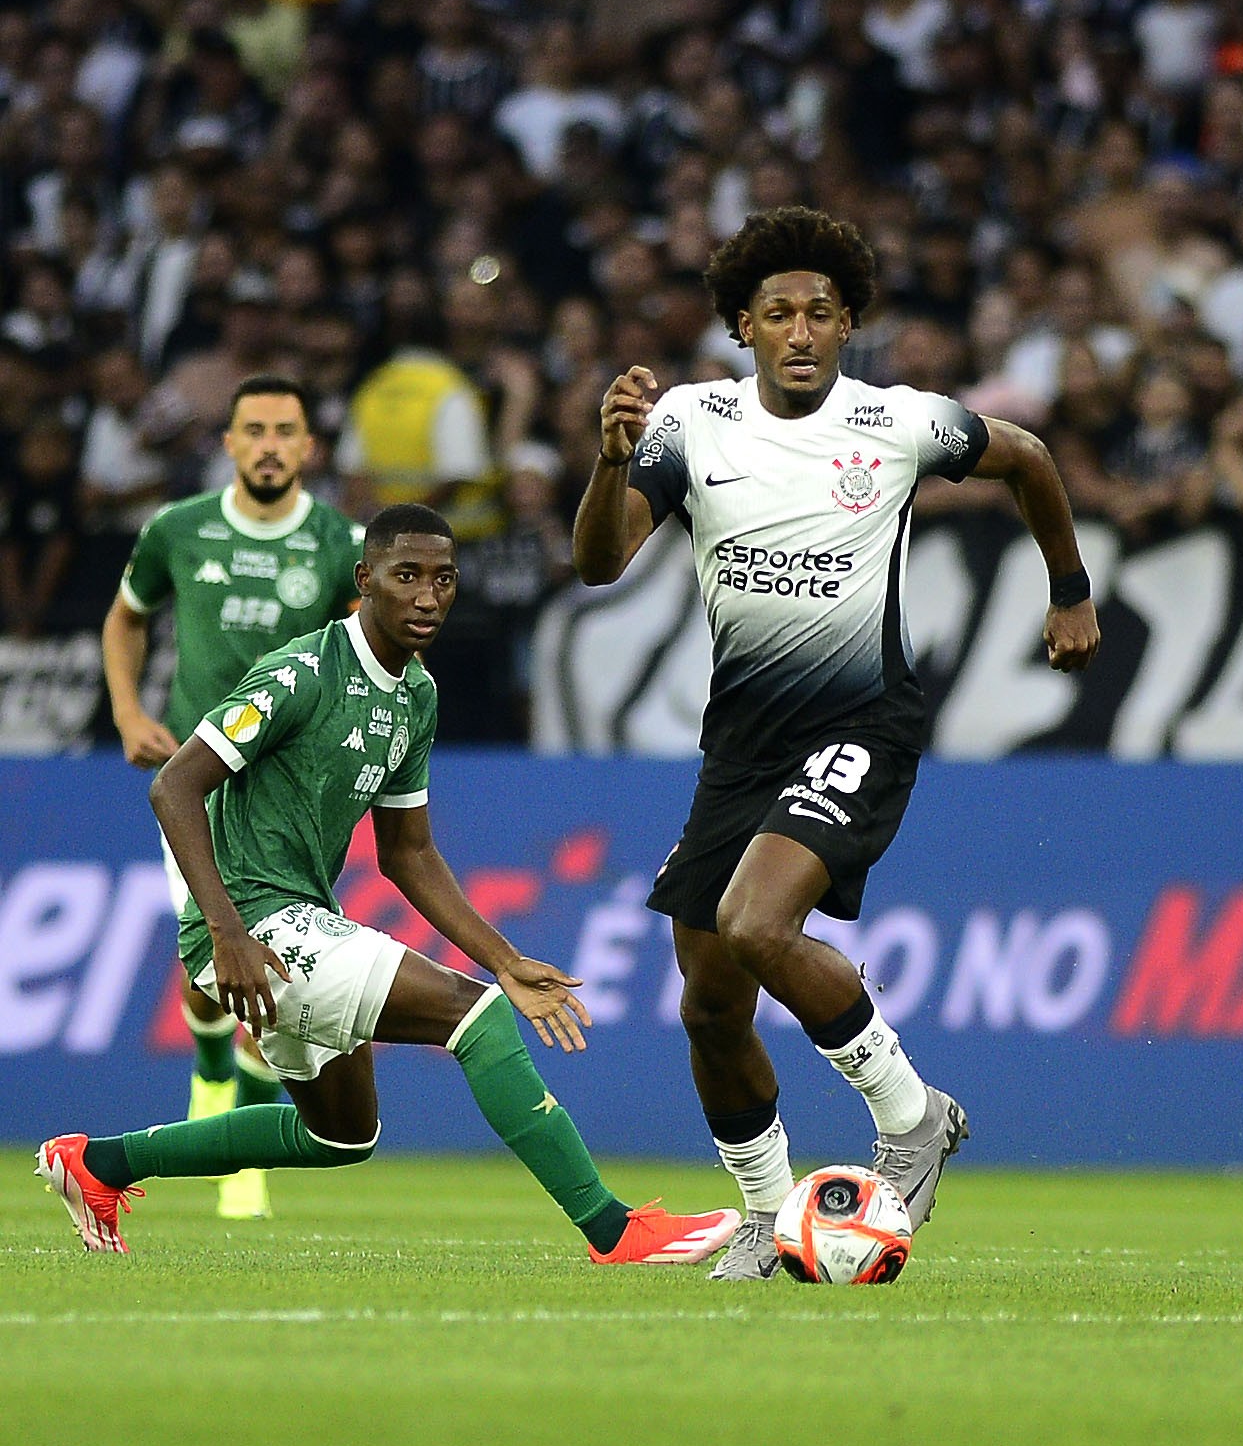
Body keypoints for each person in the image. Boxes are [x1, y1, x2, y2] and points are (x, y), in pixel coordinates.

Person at [574, 207, 1100, 1281]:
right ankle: (770, 1215)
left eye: (821, 311)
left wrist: (1070, 590)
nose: (801, 329)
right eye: (778, 313)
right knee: (709, 999)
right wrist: (605, 460)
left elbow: (1030, 457)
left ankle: (910, 1114)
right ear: (742, 326)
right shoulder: (685, 421)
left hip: (862, 722)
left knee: (757, 924)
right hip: (742, 743)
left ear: (848, 320)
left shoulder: (897, 420)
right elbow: (598, 562)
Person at [37, 505, 740, 1267]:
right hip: (254, 928)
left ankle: (96, 1162)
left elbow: (409, 852)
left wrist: (503, 956)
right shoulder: (300, 673)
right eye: (407, 576)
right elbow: (174, 787)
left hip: (296, 918)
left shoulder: (417, 695)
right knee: (475, 1017)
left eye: (444, 579)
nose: (429, 596)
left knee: (339, 1133)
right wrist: (228, 932)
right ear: (364, 580)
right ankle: (614, 1229)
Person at [102, 375, 363, 1222]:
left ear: (308, 446)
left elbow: (371, 652)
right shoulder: (177, 529)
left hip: (291, 794)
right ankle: (215, 1074)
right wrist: (130, 709)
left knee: (274, 965)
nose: (269, 445)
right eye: (253, 429)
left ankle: (242, 1130)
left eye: (285, 430)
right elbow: (126, 617)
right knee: (214, 961)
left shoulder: (340, 541)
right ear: (228, 442)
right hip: (197, 777)